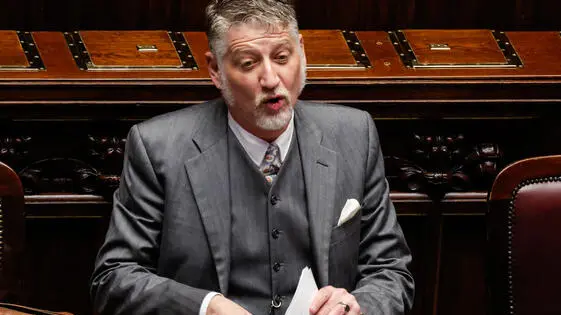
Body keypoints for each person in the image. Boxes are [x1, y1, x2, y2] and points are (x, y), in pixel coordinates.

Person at [90, 0, 414, 314]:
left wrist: (356, 307)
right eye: (249, 63)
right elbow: (114, 279)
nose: (271, 79)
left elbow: (391, 270)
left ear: (301, 52)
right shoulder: (158, 148)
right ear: (216, 70)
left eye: (283, 57)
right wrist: (206, 307)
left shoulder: (354, 135)